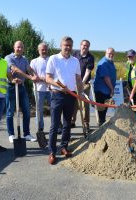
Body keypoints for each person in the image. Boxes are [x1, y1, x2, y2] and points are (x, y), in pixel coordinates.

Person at [45, 36, 84, 165]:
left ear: (72, 47)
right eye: (65, 45)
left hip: (71, 95)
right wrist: (59, 86)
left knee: (67, 123)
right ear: (61, 46)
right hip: (57, 95)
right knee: (54, 125)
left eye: (70, 46)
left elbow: (78, 79)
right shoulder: (53, 59)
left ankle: (63, 147)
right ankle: (52, 152)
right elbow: (48, 78)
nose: (67, 47)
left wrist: (81, 94)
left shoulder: (75, 61)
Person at [5, 41, 39, 143]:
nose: (19, 49)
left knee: (26, 111)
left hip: (21, 87)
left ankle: (27, 134)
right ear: (14, 47)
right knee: (10, 112)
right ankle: (11, 134)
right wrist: (29, 77)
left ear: (23, 49)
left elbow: (29, 68)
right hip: (11, 87)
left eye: (21, 47)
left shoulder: (24, 59)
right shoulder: (8, 58)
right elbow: (15, 69)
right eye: (18, 47)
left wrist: (34, 75)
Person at [71, 40, 95, 132]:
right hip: (73, 83)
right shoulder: (75, 54)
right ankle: (72, 121)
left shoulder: (90, 58)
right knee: (73, 103)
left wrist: (81, 83)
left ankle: (86, 123)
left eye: (87, 46)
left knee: (85, 104)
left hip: (84, 84)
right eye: (83, 45)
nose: (85, 47)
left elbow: (87, 72)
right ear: (80, 45)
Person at [30, 42, 51, 132]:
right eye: (42, 49)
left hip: (51, 89)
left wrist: (42, 78)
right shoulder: (34, 62)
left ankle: (57, 127)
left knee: (54, 108)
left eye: (45, 49)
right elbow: (33, 77)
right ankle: (40, 128)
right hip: (38, 89)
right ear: (38, 50)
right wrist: (45, 79)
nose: (44, 51)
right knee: (39, 110)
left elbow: (54, 75)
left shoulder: (51, 60)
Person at [93, 48, 117, 127]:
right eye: (109, 53)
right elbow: (106, 78)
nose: (111, 55)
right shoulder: (104, 63)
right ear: (105, 53)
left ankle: (102, 125)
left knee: (104, 111)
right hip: (101, 91)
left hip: (106, 91)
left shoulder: (110, 62)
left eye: (113, 54)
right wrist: (112, 89)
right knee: (101, 111)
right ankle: (101, 128)